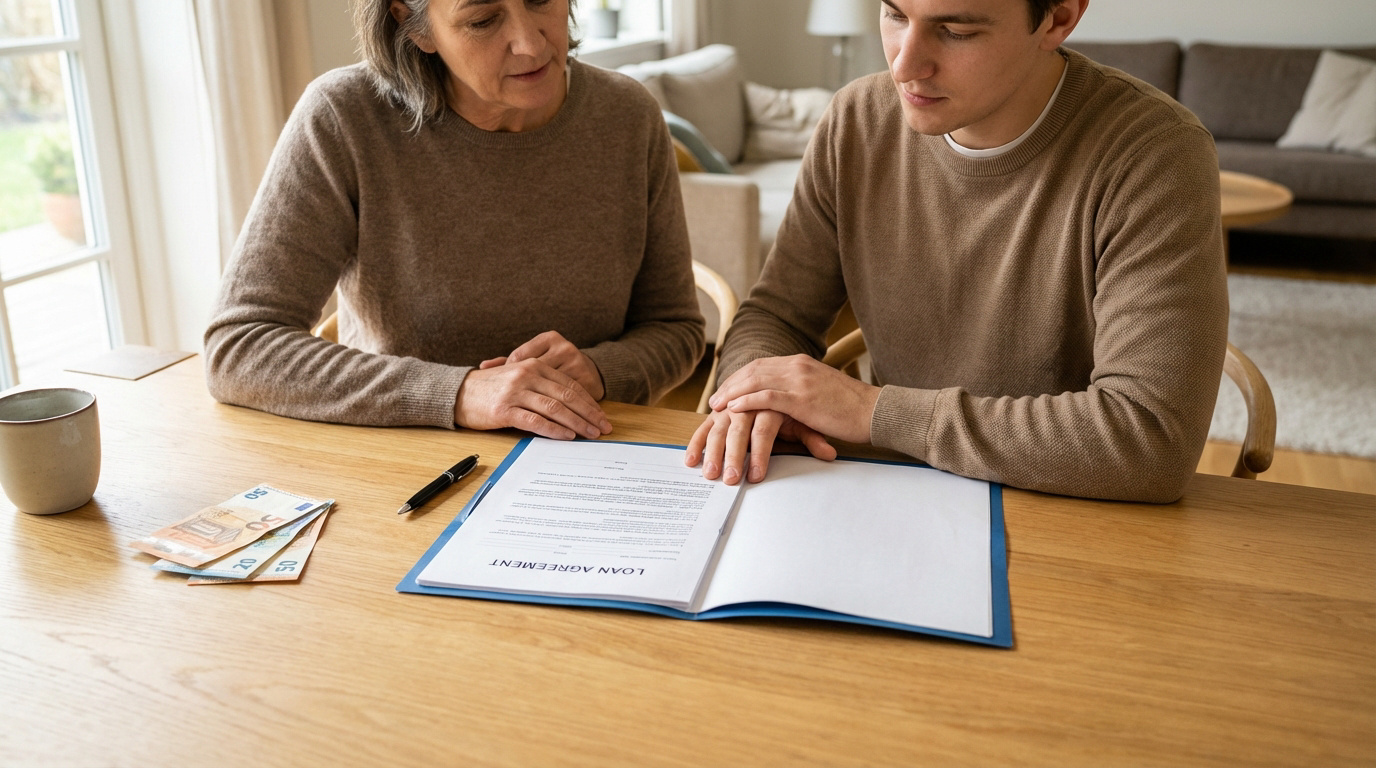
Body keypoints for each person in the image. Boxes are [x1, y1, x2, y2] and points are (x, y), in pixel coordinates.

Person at [686, 0, 1229, 503]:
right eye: (895, 14)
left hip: (1064, 510)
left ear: (1059, 17)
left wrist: (873, 411)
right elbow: (776, 316)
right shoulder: (856, 120)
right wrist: (753, 401)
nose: (904, 66)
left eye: (955, 31)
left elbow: (1149, 438)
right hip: (888, 488)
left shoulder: (1155, 152)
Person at [205, 0, 704, 441]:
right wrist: (459, 392)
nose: (530, 44)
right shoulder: (345, 117)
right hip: (405, 463)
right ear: (414, 25)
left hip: (585, 459)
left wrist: (599, 370)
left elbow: (675, 328)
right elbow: (240, 346)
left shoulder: (628, 116)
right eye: (483, 20)